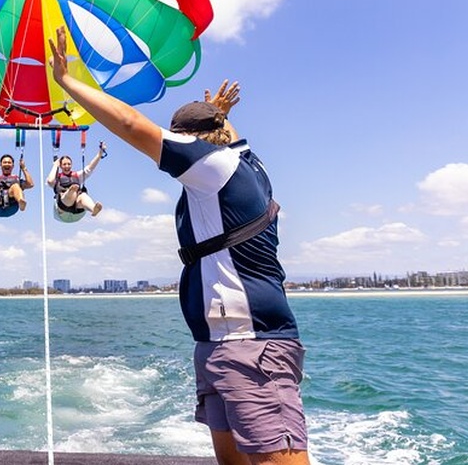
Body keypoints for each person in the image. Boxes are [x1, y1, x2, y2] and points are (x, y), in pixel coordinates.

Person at [49, 26, 310, 465]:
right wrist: (218, 114)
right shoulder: (245, 160)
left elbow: (132, 124)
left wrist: (68, 83)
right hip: (219, 344)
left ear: (197, 141)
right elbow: (222, 134)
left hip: (252, 345)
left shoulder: (215, 166)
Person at [45, 144, 105, 217]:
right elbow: (50, 181)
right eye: (64, 164)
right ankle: (71, 190)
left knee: (83, 195)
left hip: (77, 206)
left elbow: (90, 168)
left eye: (69, 164)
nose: (67, 166)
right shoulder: (57, 178)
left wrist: (99, 154)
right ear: (60, 166)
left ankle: (93, 209)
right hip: (64, 205)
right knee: (72, 191)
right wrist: (55, 165)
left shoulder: (77, 175)